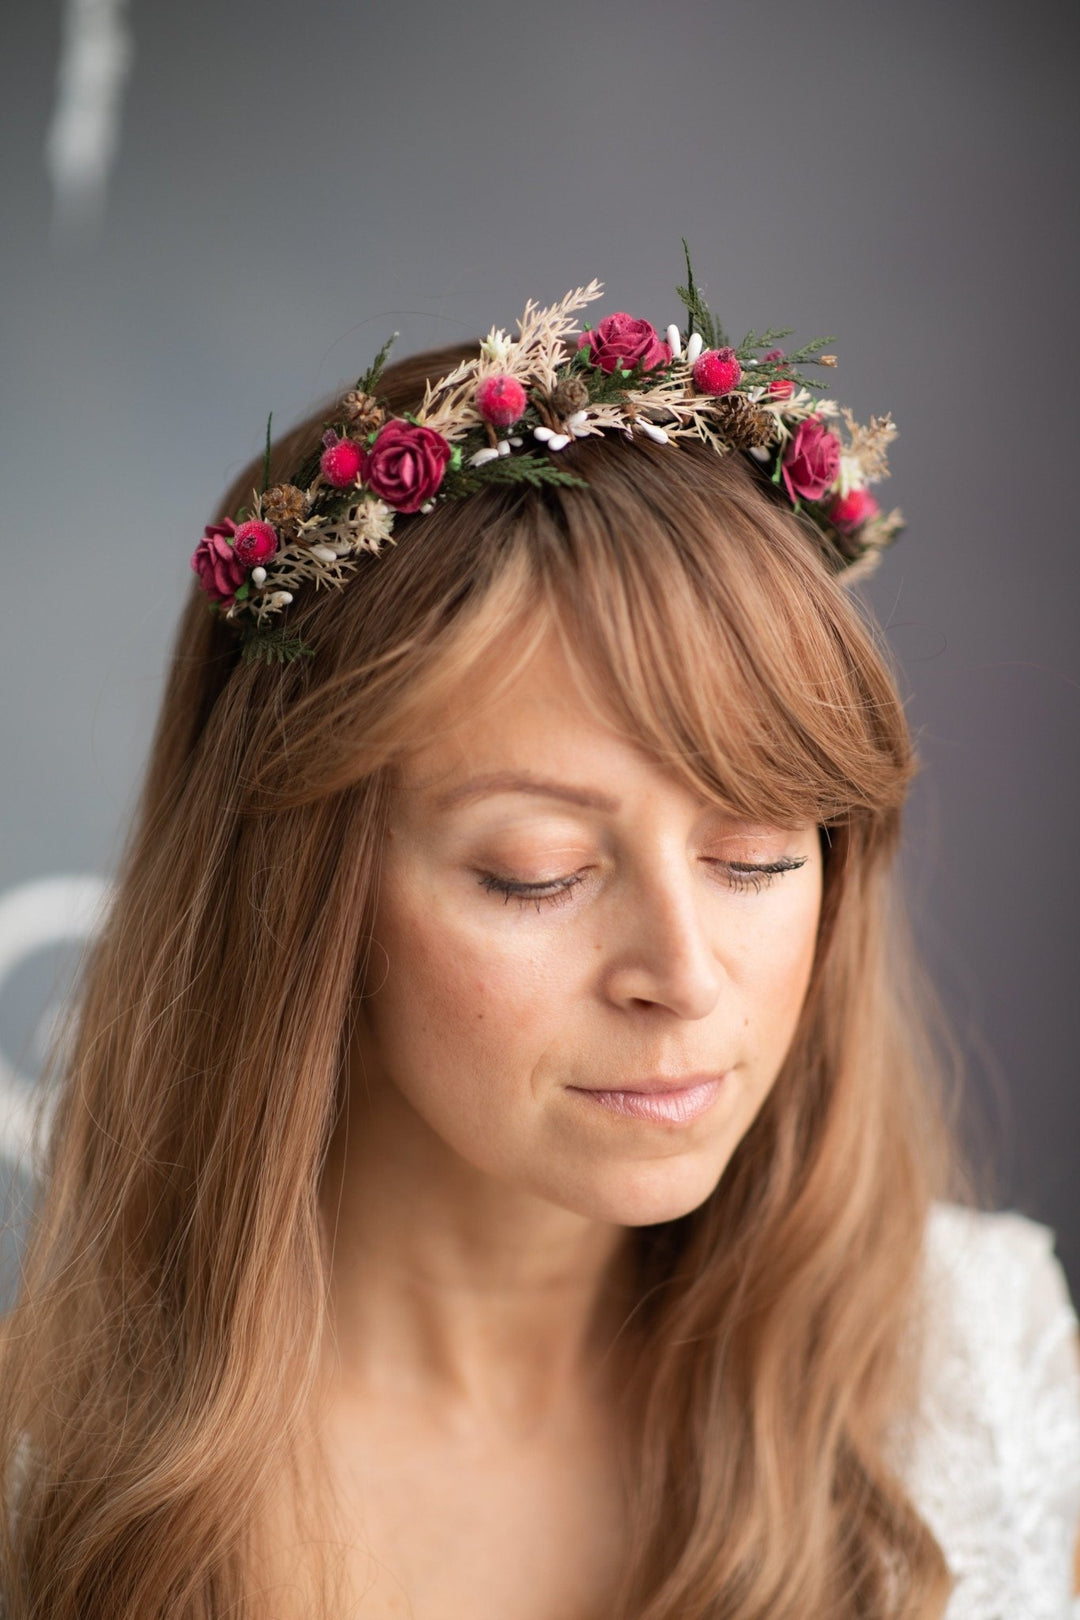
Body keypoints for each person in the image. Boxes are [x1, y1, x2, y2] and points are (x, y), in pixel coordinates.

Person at [0, 259, 1077, 1620]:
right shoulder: (46, 1489)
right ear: (303, 900)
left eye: (756, 857)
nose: (685, 977)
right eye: (538, 874)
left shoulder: (985, 1387)